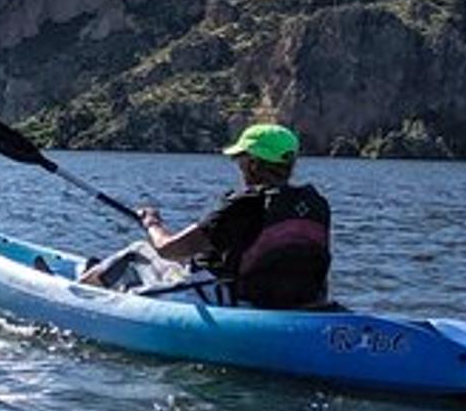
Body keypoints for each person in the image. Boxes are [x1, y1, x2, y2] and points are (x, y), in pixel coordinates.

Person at [78, 123, 331, 308]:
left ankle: (77, 294)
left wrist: (152, 223)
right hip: (297, 302)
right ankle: (94, 277)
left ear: (253, 164)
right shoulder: (315, 204)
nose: (238, 166)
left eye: (239, 159)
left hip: (228, 300)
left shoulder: (245, 203)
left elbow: (168, 249)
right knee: (175, 266)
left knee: (137, 252)